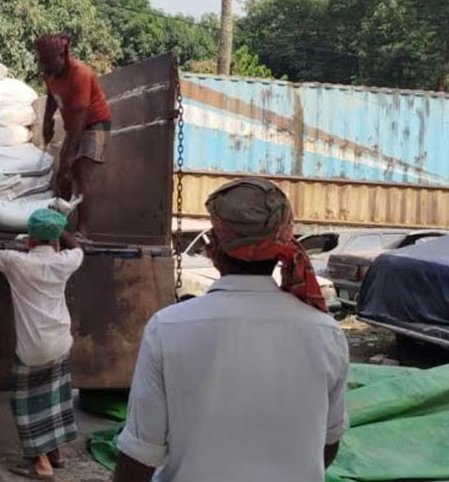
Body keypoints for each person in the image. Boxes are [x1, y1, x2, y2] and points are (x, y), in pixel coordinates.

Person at [114, 178, 349, 482]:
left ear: (214, 247)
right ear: (282, 246)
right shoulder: (326, 332)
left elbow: (140, 456)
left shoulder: (168, 328)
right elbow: (328, 446)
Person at [0, 206, 83, 480]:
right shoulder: (65, 261)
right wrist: (61, 224)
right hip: (60, 342)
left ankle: (41, 464)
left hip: (32, 348)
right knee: (54, 397)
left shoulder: (15, 262)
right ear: (55, 241)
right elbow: (78, 247)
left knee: (27, 404)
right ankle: (55, 453)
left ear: (29, 240)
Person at [36, 33, 112, 240]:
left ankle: (82, 230)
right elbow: (52, 95)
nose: (45, 67)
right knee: (63, 176)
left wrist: (70, 156)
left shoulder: (80, 74)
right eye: (42, 61)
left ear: (62, 56)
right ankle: (58, 226)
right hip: (75, 126)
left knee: (79, 171)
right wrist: (47, 119)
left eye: (48, 62)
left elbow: (80, 118)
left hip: (94, 123)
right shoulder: (49, 72)